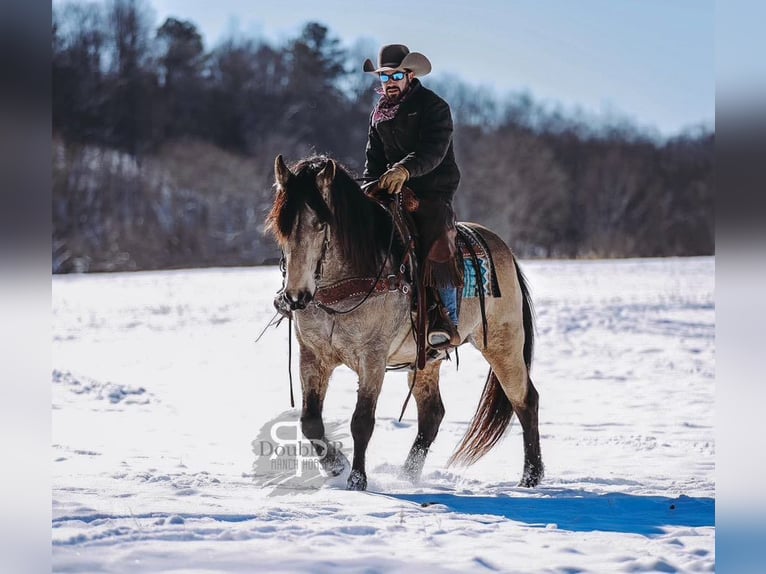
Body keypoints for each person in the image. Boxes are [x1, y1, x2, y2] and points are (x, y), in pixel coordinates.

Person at [362, 44, 462, 348]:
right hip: (392, 189)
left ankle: (445, 316)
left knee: (432, 230)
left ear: (409, 75)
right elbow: (373, 161)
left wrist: (405, 170)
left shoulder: (434, 106)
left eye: (395, 75)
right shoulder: (378, 115)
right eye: (384, 77)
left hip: (432, 189)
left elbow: (433, 150)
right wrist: (369, 187)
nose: (389, 82)